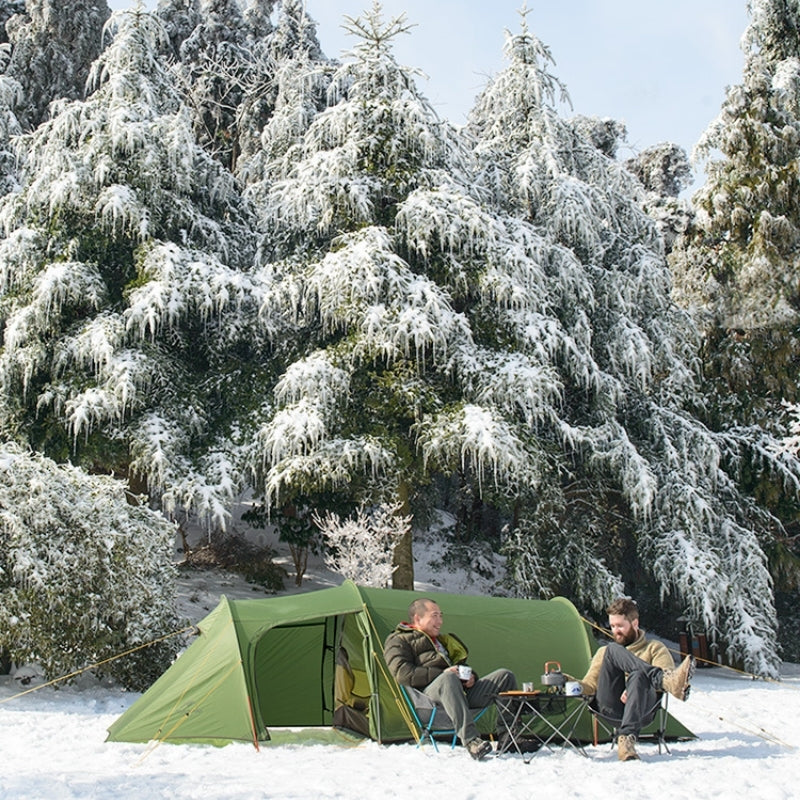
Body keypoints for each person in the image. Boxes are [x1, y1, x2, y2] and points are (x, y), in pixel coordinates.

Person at [384, 597, 518, 760]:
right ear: (418, 618)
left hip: (459, 695)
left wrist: (469, 677)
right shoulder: (398, 640)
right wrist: (443, 673)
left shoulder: (442, 641)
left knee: (505, 676)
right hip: (429, 701)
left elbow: (459, 667)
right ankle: (472, 740)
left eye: (441, 616)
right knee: (448, 678)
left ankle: (509, 739)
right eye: (434, 616)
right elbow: (402, 674)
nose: (440, 621)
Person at [573, 598, 695, 762]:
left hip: (643, 708)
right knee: (612, 650)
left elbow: (665, 678)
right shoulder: (606, 652)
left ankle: (626, 741)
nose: (615, 631)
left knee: (639, 675)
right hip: (610, 708)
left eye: (620, 626)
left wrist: (633, 689)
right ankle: (661, 679)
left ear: (635, 623)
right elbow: (590, 685)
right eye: (613, 626)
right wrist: (571, 683)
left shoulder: (654, 647)